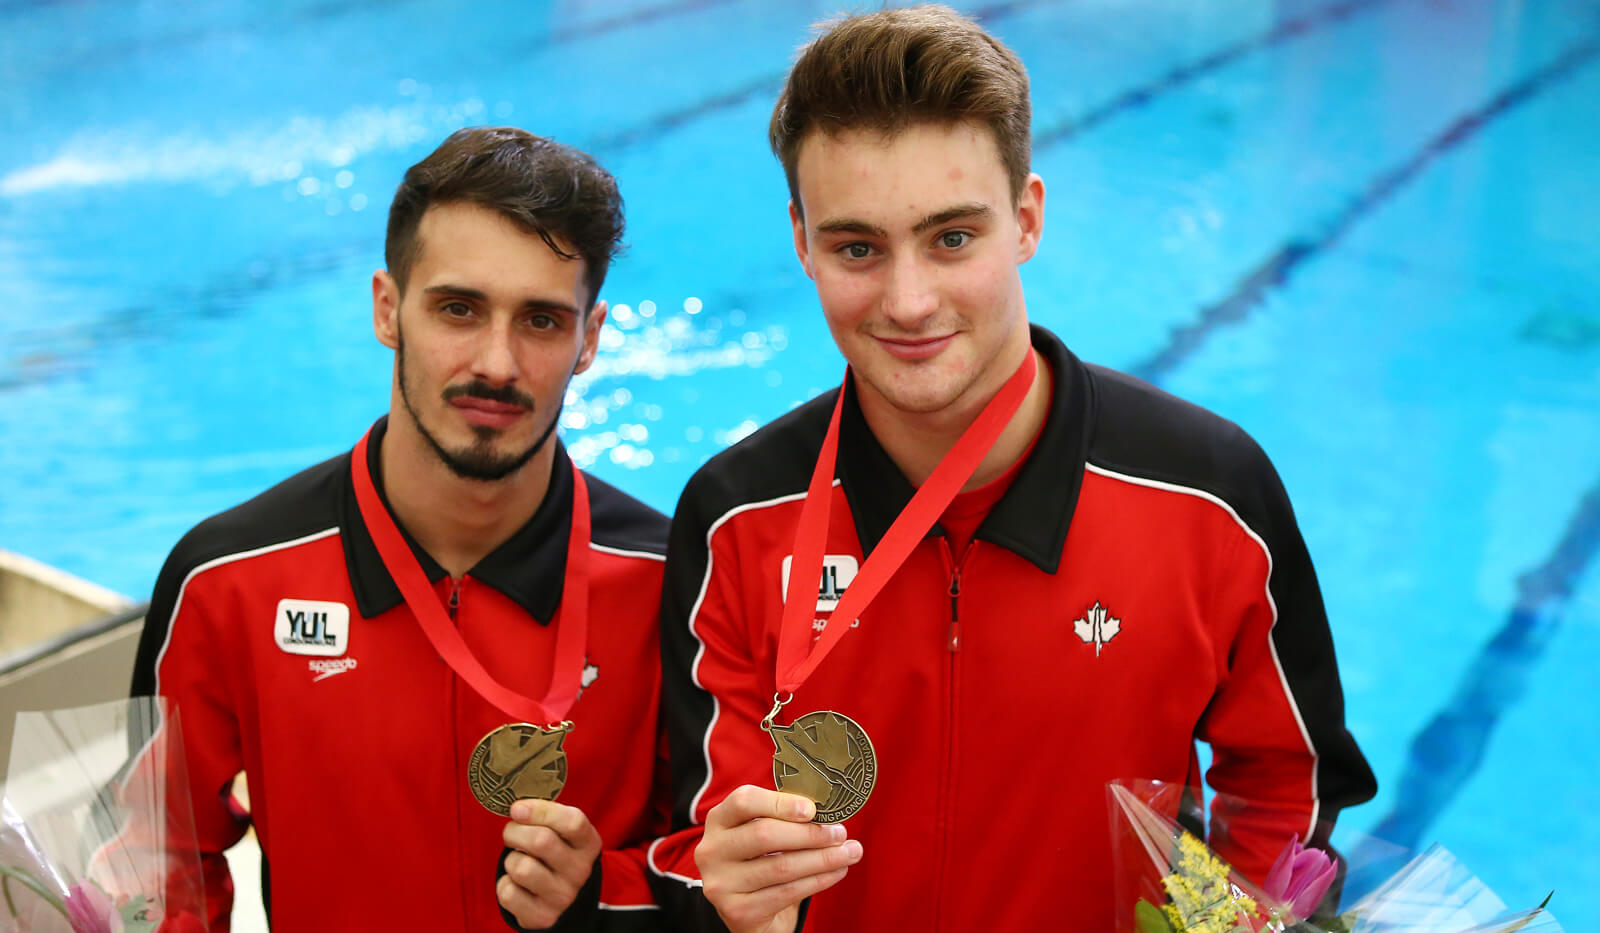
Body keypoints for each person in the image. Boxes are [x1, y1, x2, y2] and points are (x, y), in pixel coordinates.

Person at [647, 6, 1378, 931]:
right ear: (801, 240)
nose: (910, 302)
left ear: (1026, 219)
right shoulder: (738, 518)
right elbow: (698, 839)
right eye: (857, 248)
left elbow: (1289, 786)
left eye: (953, 238)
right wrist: (728, 895)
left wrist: (1234, 917)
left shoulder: (1208, 493)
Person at [131, 127, 672, 932]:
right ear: (388, 309)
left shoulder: (669, 577)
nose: (497, 361)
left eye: (542, 321)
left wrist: (606, 896)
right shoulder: (228, 578)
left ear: (589, 340)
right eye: (458, 308)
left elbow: (719, 859)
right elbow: (157, 862)